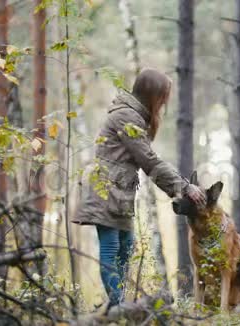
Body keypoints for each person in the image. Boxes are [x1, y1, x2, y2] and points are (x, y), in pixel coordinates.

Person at [73, 68, 205, 309]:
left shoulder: (136, 116)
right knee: (112, 247)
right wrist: (183, 187)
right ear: (152, 94)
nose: (166, 100)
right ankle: (117, 306)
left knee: (126, 247)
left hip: (119, 190)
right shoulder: (127, 117)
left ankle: (117, 306)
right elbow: (149, 160)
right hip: (105, 189)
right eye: (164, 94)